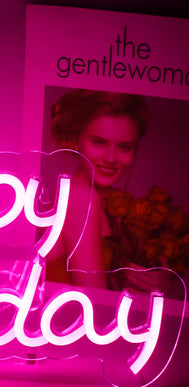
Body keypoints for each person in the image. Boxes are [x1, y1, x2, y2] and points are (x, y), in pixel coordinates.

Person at [45, 89, 171, 293]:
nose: (111, 159)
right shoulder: (79, 197)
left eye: (124, 147)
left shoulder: (111, 202)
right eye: (99, 142)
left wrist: (160, 282)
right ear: (76, 139)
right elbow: (96, 302)